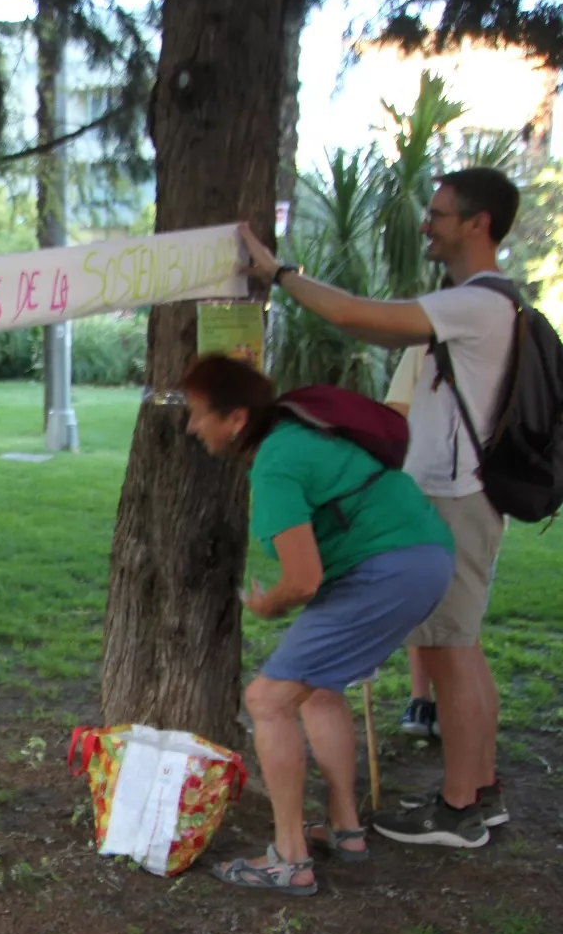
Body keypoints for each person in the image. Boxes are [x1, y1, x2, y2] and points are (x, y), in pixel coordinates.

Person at [238, 166, 519, 847]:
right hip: (460, 492)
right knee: (457, 645)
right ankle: (478, 792)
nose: (427, 223)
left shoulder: (478, 303)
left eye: (441, 213)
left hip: (456, 493)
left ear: (478, 224)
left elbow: (354, 316)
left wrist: (278, 273)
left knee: (448, 649)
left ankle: (459, 810)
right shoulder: (483, 302)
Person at [181, 356, 455, 895]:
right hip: (421, 555)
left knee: (268, 700)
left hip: (386, 569)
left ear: (235, 419)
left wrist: (268, 605)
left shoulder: (276, 462)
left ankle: (289, 856)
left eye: (196, 414)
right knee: (317, 689)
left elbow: (303, 580)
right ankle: (345, 827)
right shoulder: (298, 433)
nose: (191, 426)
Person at [383, 346, 439, 739]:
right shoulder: (423, 343)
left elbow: (396, 413)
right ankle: (426, 700)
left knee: (427, 601)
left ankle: (429, 701)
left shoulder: (424, 341)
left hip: (430, 489)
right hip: (476, 494)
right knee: (448, 607)